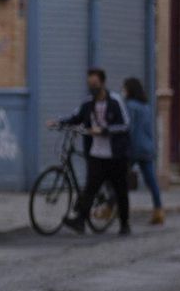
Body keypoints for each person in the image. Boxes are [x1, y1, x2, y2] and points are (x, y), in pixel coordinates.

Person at [50, 67, 132, 236]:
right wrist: (58, 122)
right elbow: (75, 117)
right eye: (89, 84)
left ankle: (124, 224)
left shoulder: (115, 101)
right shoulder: (88, 103)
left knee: (120, 189)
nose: (92, 87)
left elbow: (125, 125)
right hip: (96, 153)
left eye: (95, 84)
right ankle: (80, 220)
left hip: (116, 155)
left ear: (102, 83)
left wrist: (103, 130)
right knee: (90, 188)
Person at [123, 77, 164, 225]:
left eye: (125, 88)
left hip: (133, 148)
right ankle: (158, 210)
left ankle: (110, 207)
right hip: (147, 147)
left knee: (118, 178)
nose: (123, 91)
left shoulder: (130, 105)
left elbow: (129, 127)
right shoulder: (146, 106)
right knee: (151, 181)